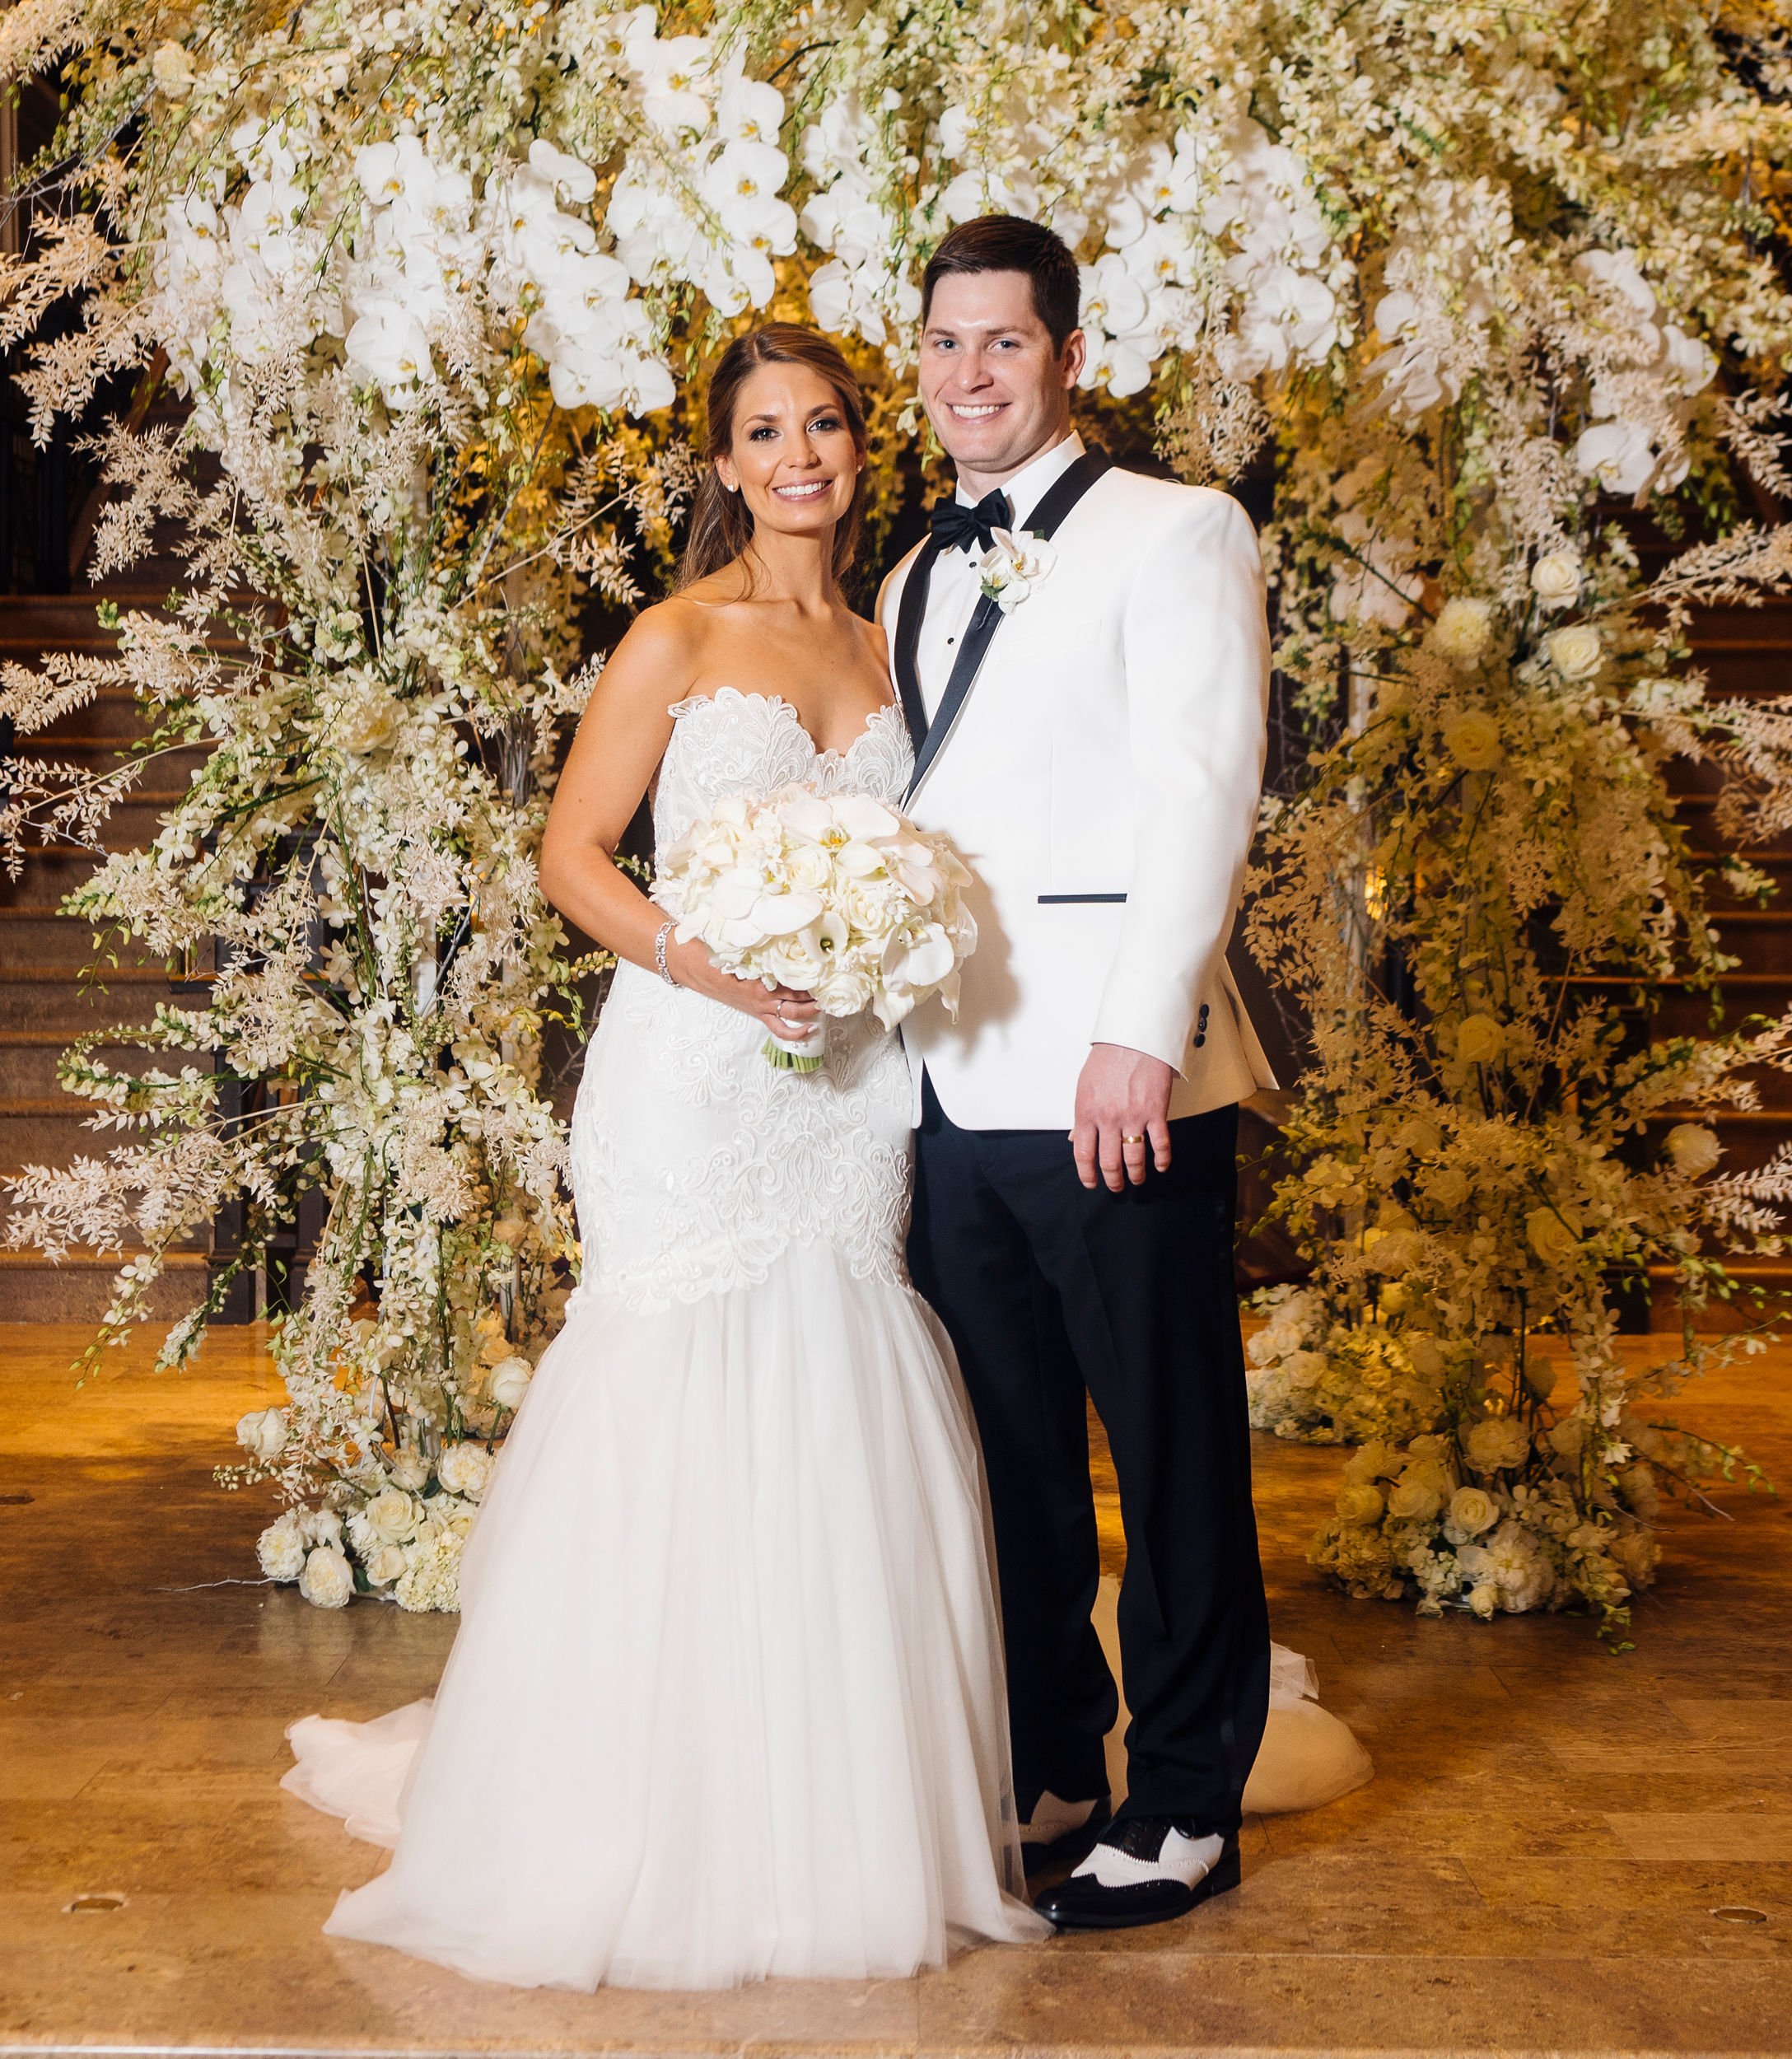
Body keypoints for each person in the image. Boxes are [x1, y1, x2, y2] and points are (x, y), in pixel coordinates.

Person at [280, 324, 1050, 1989]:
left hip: (850, 1084)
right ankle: (621, 1807)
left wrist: (872, 951)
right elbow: (572, 853)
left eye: (826, 424)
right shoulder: (673, 636)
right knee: (681, 1380)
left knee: (839, 1373)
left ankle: (823, 1818)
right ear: (722, 463)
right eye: (764, 431)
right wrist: (709, 960)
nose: (800, 456)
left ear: (861, 444)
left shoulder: (901, 634)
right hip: (693, 1069)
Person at [882, 214, 1281, 1931]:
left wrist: (1144, 1028)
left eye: (1003, 343)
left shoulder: (1175, 527)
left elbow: (1202, 786)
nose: (969, 375)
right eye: (943, 345)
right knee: (1012, 1450)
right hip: (944, 1080)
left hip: (1114, 1075)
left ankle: (1187, 1797)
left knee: (1168, 1443)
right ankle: (1056, 1760)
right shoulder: (905, 566)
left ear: (1062, 354)